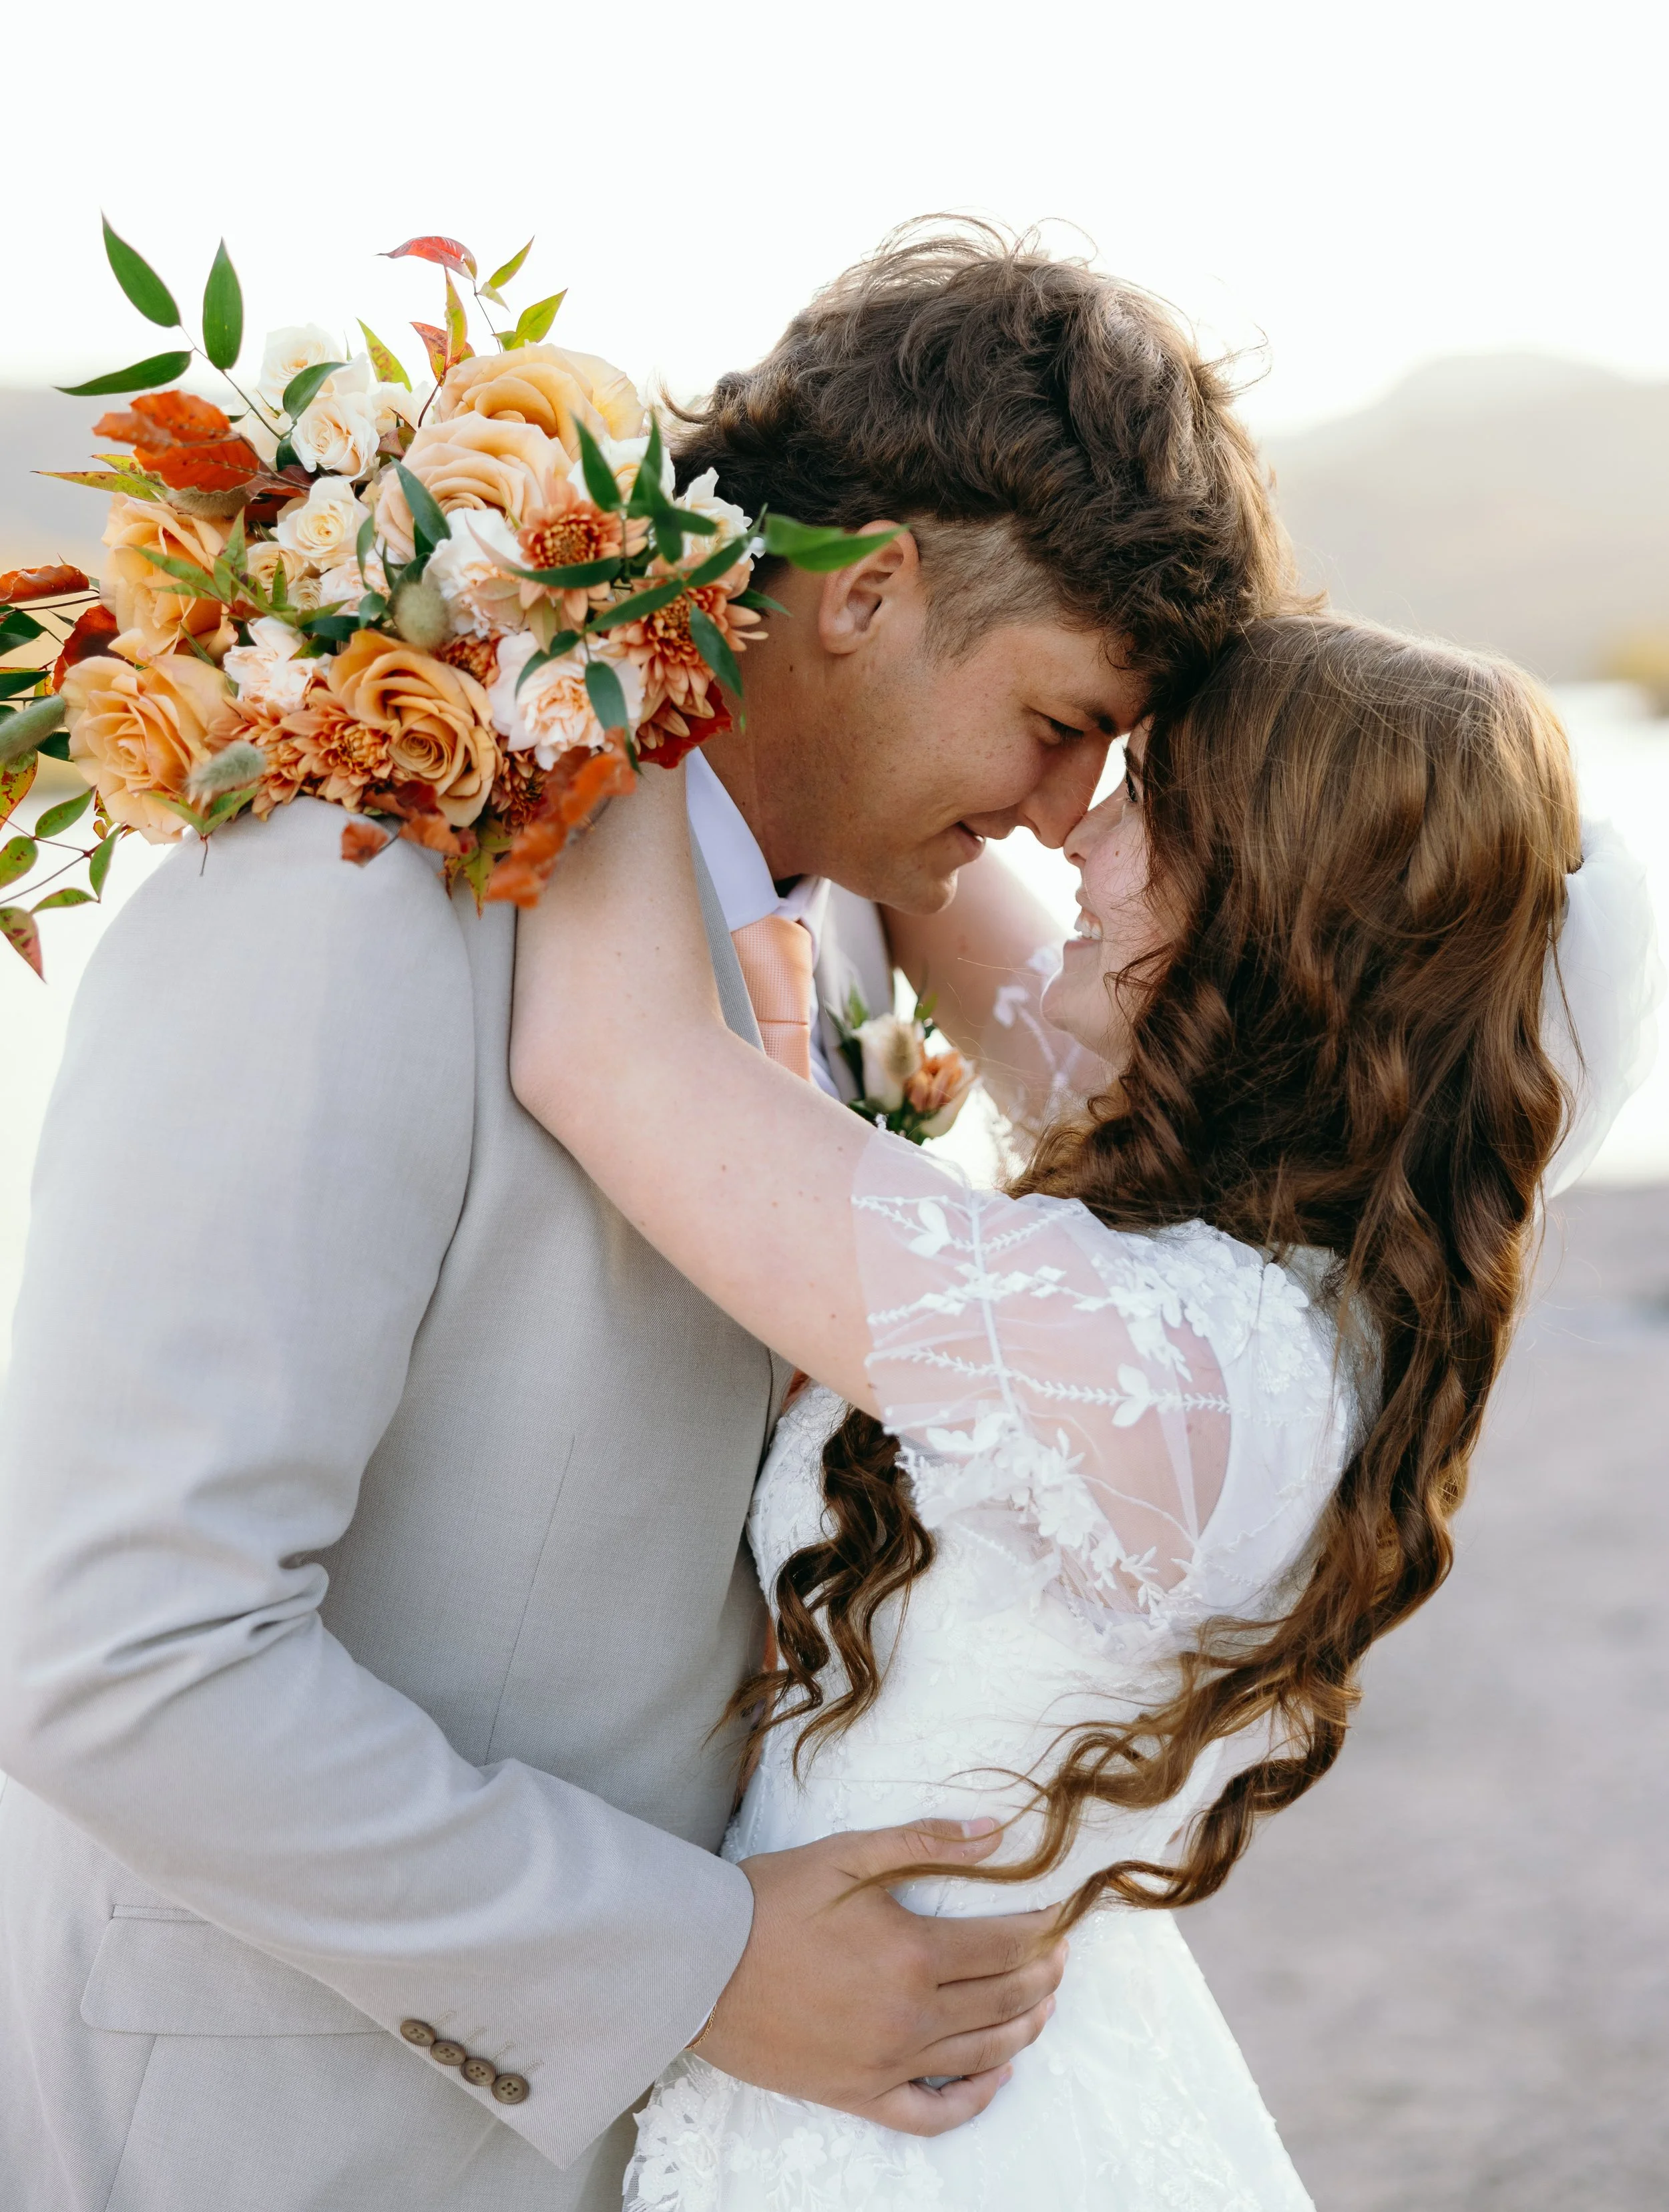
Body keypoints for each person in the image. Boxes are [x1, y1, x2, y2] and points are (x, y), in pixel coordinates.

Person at [0, 227, 1290, 2212]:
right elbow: (111, 1647)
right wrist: (691, 1963)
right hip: (293, 2136)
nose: (1061, 810)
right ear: (865, 594)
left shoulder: (858, 907)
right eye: (1061, 720)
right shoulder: (353, 885)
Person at [509, 612, 1657, 2209]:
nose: (1073, 823)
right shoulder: (1268, 1267)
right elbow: (926, 893)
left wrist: (580, 613)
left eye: (1147, 805)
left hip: (917, 2143)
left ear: (1255, 934)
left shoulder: (1154, 1366)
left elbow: (606, 1053)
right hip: (967, 2085)